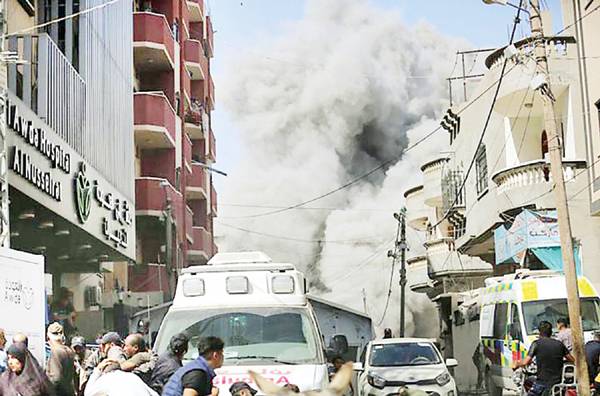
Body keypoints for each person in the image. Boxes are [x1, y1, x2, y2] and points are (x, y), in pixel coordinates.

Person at [513, 321, 574, 395]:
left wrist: (517, 363)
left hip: (541, 383)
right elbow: (571, 359)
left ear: (539, 332)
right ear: (551, 332)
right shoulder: (559, 344)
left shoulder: (536, 344)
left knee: (529, 381)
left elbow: (526, 361)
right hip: (557, 383)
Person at [83, 360, 158, 396]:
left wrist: (97, 370)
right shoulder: (133, 377)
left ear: (104, 372)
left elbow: (88, 394)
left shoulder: (107, 378)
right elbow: (155, 394)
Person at [46, 322, 76, 396]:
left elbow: (56, 378)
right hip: (69, 391)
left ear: (48, 336)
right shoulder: (69, 350)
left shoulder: (56, 352)